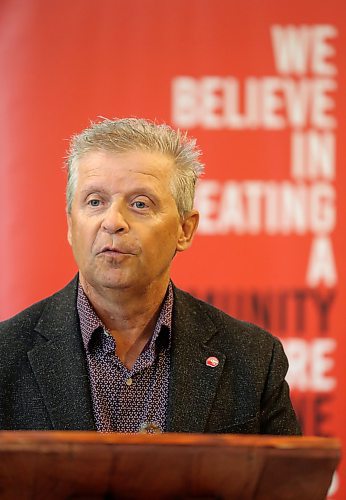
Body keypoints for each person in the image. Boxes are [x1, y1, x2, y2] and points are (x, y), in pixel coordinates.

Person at [0, 118, 300, 434]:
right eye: (95, 201)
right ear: (71, 224)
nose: (113, 221)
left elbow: (285, 484)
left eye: (140, 204)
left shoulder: (252, 359)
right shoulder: (6, 356)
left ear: (185, 230)